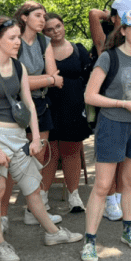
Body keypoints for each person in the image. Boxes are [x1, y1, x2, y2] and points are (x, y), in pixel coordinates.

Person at [0, 17, 82, 261]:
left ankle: (53, 233)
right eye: (11, 38)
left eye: (18, 37)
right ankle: (0, 245)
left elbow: (29, 101)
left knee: (32, 186)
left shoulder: (18, 67)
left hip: (17, 135)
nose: (17, 42)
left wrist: (35, 138)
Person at [82, 8, 131, 261]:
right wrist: (122, 103)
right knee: (103, 186)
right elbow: (90, 96)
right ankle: (90, 241)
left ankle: (128, 229)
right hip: (112, 125)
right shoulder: (109, 57)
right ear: (122, 30)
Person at [15, 1, 62, 224]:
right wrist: (48, 79)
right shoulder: (14, 40)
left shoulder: (44, 42)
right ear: (24, 18)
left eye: (44, 16)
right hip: (16, 107)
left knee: (39, 158)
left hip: (40, 105)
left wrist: (47, 80)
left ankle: (32, 210)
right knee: (14, 158)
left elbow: (56, 77)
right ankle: (3, 215)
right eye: (37, 15)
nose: (43, 20)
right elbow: (14, 81)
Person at [44, 12, 93, 213]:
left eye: (58, 26)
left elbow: (89, 78)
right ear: (43, 32)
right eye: (49, 29)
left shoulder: (78, 49)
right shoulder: (41, 51)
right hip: (49, 105)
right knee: (49, 153)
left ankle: (74, 196)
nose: (55, 31)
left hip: (74, 106)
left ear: (64, 26)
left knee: (72, 151)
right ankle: (42, 197)